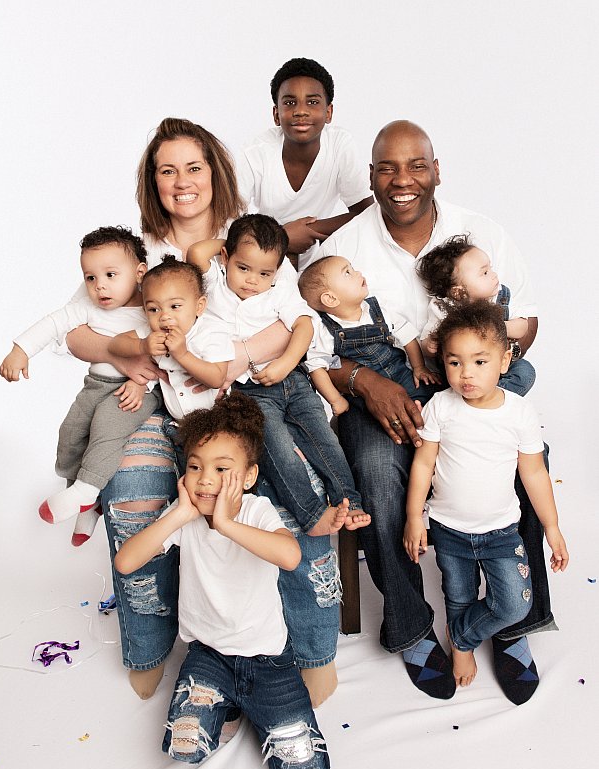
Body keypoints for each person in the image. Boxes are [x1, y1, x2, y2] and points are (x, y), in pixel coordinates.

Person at [66, 119, 339, 703]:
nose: (182, 181)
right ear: (152, 180)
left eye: (194, 167)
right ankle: (150, 642)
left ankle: (312, 647)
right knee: (134, 487)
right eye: (167, 170)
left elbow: (290, 321)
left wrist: (229, 361)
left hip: (241, 401)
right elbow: (78, 334)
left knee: (299, 486)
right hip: (159, 407)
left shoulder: (250, 240)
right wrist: (134, 349)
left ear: (216, 172)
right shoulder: (134, 253)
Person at [317, 119, 555, 704]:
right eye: (387, 167)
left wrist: (474, 349)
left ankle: (511, 620)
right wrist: (365, 380)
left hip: (470, 372)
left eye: (416, 165)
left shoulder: (482, 232)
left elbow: (526, 319)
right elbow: (307, 346)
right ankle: (412, 626)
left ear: (436, 170)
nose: (403, 180)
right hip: (382, 380)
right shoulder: (341, 248)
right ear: (371, 175)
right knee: (375, 469)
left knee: (526, 456)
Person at [114, 392, 330, 769]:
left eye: (221, 468)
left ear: (248, 477)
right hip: (208, 655)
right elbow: (126, 563)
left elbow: (289, 555)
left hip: (269, 659)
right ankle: (227, 703)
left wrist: (227, 524)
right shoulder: (185, 517)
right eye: (195, 467)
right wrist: (179, 513)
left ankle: (247, 704)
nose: (206, 479)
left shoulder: (255, 511)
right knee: (185, 748)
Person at [404, 301, 568, 698]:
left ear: (504, 361)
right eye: (454, 363)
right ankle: (463, 645)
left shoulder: (518, 413)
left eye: (479, 362)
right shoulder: (441, 406)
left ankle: (461, 638)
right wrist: (413, 517)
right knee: (457, 594)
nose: (466, 374)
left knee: (514, 604)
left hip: (500, 531)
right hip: (449, 529)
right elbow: (424, 464)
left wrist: (552, 526)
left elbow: (533, 473)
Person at [187, 214, 371, 536]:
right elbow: (196, 254)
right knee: (279, 450)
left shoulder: (279, 292)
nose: (252, 280)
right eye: (243, 268)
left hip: (294, 381)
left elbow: (305, 325)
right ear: (226, 258)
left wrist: (286, 363)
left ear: (276, 272)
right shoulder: (214, 284)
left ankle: (349, 501)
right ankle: (313, 516)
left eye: (264, 272)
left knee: (324, 439)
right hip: (251, 392)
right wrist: (231, 245)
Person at [0, 226, 159, 545]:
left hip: (135, 390)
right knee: (71, 432)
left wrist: (140, 382)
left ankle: (86, 491)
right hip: (95, 384)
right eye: (90, 277)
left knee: (107, 426)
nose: (100, 286)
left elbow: (166, 352)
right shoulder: (88, 306)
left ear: (140, 272)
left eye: (111, 275)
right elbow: (53, 323)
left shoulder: (151, 310)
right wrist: (21, 350)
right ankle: (84, 497)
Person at [237, 57, 373, 270]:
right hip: (263, 255)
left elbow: (368, 214)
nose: (301, 111)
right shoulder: (255, 153)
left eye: (312, 102)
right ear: (276, 114)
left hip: (317, 254)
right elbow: (229, 225)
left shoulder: (339, 144)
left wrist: (309, 230)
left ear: (329, 112)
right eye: (290, 102)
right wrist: (281, 237)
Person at [298, 254, 440, 416]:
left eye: (352, 268)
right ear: (331, 298)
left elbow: (407, 334)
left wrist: (419, 367)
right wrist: (335, 400)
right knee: (365, 418)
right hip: (362, 394)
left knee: (430, 396)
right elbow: (316, 367)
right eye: (347, 273)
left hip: (401, 374)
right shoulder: (325, 331)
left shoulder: (379, 310)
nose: (357, 272)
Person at [110, 256, 234, 420]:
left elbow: (217, 378)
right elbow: (114, 344)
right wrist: (142, 346)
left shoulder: (211, 332)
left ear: (199, 306)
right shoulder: (153, 333)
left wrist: (182, 355)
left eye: (175, 306)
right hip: (176, 424)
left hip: (216, 418)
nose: (164, 316)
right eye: (154, 309)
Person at [417, 234, 535, 396]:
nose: (494, 275)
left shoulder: (501, 296)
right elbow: (426, 345)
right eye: (484, 273)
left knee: (525, 372)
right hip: (460, 374)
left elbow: (522, 327)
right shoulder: (443, 308)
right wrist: (430, 344)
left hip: (495, 370)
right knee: (434, 385)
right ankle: (468, 402)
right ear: (458, 292)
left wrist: (496, 327)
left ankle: (488, 400)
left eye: (490, 268)